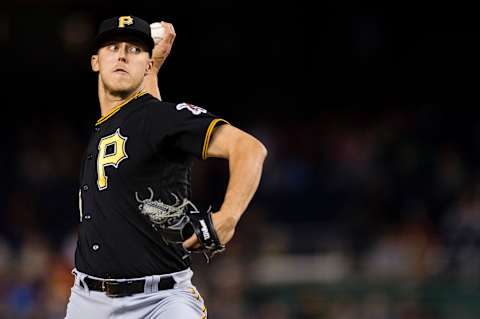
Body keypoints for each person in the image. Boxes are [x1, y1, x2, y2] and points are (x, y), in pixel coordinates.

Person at [64, 15, 267, 319]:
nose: (121, 54)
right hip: (87, 301)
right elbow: (143, 121)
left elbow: (249, 148)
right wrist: (153, 65)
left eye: (133, 49)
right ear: (95, 62)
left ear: (145, 65)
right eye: (113, 47)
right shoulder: (115, 122)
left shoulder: (161, 118)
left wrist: (229, 215)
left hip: (161, 301)